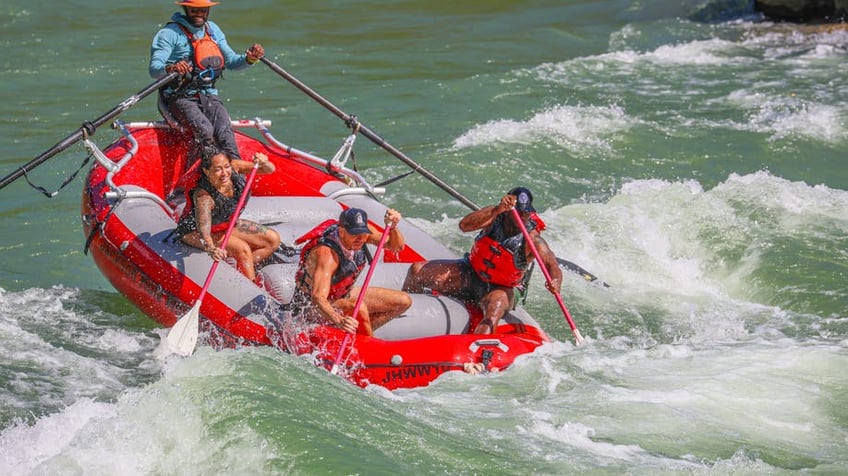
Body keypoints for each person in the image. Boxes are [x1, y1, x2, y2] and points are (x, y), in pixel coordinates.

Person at [403, 187, 563, 335]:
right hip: (471, 273)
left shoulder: (533, 240)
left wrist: (555, 280)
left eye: (526, 214)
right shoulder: (494, 216)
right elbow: (464, 225)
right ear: (509, 211)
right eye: (519, 213)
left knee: (493, 312)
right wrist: (497, 209)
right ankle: (404, 317)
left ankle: (476, 357)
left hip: (502, 288)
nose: (523, 217)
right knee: (417, 270)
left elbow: (552, 264)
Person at [149, 0, 264, 163]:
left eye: (203, 10)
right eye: (194, 10)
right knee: (205, 131)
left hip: (208, 95)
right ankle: (198, 181)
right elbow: (154, 69)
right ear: (185, 8)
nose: (199, 14)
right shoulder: (169, 33)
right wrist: (171, 68)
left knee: (225, 133)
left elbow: (232, 62)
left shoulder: (213, 30)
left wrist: (250, 58)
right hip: (178, 97)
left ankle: (238, 182)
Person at [291, 208, 412, 336]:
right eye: (355, 234)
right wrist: (340, 320)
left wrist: (393, 227)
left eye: (363, 233)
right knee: (358, 307)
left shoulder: (363, 233)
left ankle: (359, 336)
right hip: (311, 307)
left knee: (403, 301)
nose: (360, 238)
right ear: (341, 232)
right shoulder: (327, 254)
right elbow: (318, 298)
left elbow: (396, 247)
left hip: (342, 296)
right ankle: (367, 344)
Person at [175, 148, 280, 283]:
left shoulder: (235, 167)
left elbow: (269, 169)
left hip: (225, 224)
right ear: (207, 172)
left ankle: (239, 273)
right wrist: (212, 248)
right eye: (217, 169)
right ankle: (249, 284)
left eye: (226, 167)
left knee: (272, 239)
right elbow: (204, 230)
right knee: (243, 249)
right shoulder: (204, 197)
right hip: (194, 231)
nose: (224, 173)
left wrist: (264, 162)